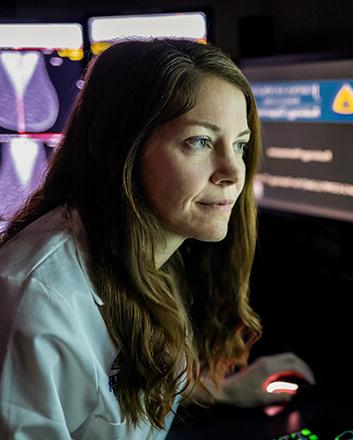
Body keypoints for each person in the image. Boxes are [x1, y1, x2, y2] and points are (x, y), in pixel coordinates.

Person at [0, 39, 315, 439]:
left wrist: (219, 391)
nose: (233, 172)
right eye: (199, 142)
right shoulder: (35, 301)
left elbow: (107, 396)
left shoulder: (162, 252)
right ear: (118, 147)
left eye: (239, 144)